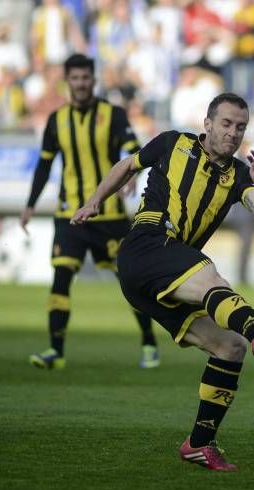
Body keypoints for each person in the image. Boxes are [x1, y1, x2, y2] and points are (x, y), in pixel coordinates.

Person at [71, 92, 254, 472]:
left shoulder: (239, 174)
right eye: (226, 124)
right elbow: (127, 165)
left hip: (159, 277)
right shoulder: (173, 143)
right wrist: (94, 201)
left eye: (241, 127)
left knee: (229, 348)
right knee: (210, 277)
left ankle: (199, 444)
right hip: (147, 244)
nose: (233, 133)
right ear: (207, 123)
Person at [20, 53, 160, 370]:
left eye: (85, 78)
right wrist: (29, 204)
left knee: (130, 280)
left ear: (93, 80)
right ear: (67, 82)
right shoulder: (56, 120)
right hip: (68, 213)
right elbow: (44, 164)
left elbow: (131, 151)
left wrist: (130, 177)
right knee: (61, 276)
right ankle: (55, 350)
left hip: (108, 215)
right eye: (75, 78)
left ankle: (149, 342)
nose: (81, 83)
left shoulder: (114, 115)